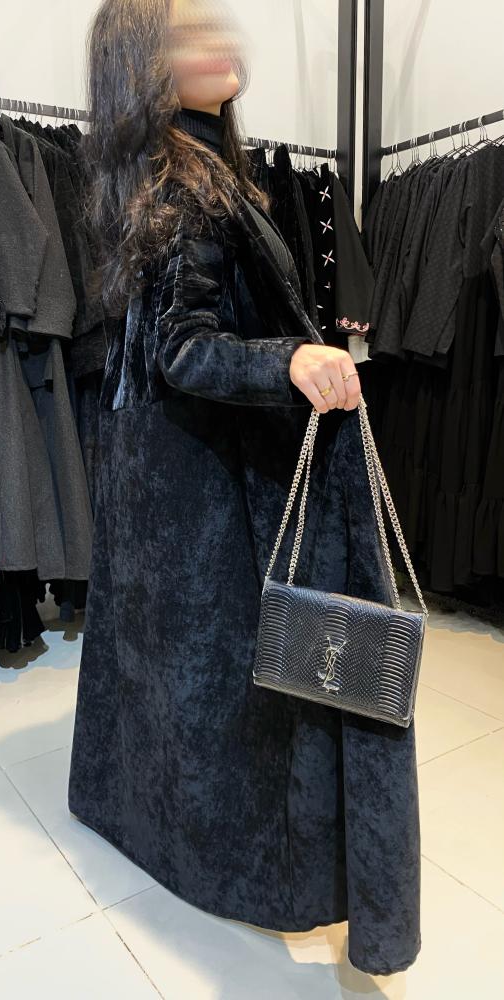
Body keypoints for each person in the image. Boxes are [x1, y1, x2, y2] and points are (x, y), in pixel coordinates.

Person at [69, 0, 421, 977]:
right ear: (145, 64)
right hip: (208, 486)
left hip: (162, 482)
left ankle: (145, 820)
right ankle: (262, 871)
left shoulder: (170, 171)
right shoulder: (184, 183)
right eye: (188, 34)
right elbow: (183, 348)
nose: (220, 40)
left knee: (171, 677)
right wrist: (290, 360)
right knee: (249, 689)